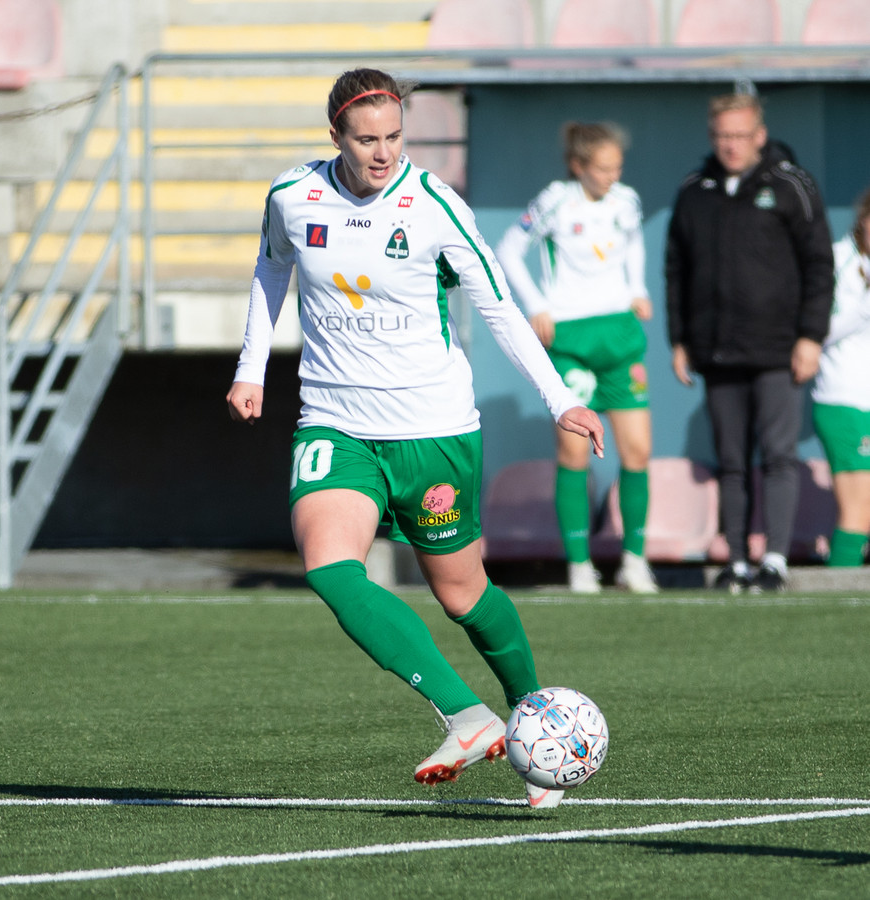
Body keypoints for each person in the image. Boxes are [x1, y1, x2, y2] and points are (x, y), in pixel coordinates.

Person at [226, 68, 604, 809]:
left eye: (394, 137)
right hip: (334, 420)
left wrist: (560, 398)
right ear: (335, 135)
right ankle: (466, 715)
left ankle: (538, 727)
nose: (383, 153)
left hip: (431, 427)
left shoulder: (432, 203)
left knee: (462, 594)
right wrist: (251, 370)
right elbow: (271, 273)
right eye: (366, 139)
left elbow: (497, 305)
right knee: (331, 569)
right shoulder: (291, 196)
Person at [665, 91, 834, 593]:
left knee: (779, 455)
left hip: (779, 349)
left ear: (759, 136)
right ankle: (737, 561)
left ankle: (775, 560)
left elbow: (819, 266)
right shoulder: (694, 189)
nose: (731, 145)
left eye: (740, 136)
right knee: (731, 461)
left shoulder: (792, 184)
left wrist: (811, 337)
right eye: (722, 136)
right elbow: (676, 269)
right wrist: (680, 339)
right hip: (717, 350)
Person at [496, 122, 657, 595]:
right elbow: (508, 249)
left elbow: (635, 243)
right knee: (574, 452)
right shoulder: (555, 201)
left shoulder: (626, 201)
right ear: (578, 165)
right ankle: (580, 565)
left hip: (619, 336)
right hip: (569, 338)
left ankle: (634, 561)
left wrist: (638, 288)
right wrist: (536, 305)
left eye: (617, 167)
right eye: (602, 168)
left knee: (637, 450)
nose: (611, 176)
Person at [811, 188, 870, 567]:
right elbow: (816, 331)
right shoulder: (836, 260)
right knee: (858, 511)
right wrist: (863, 305)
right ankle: (837, 589)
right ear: (863, 219)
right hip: (844, 401)